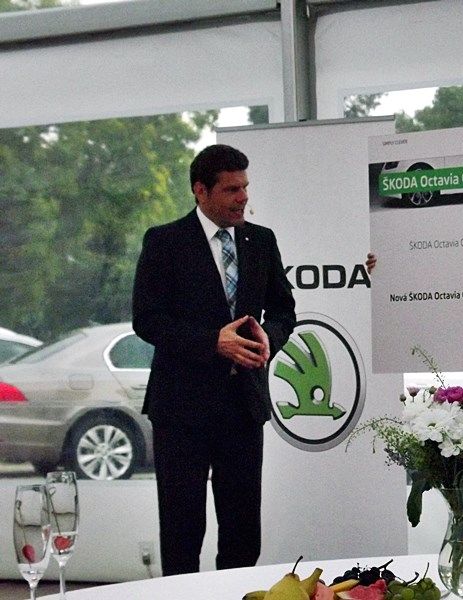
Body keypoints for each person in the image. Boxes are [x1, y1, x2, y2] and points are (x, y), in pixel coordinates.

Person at [132, 144, 297, 575]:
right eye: (231, 189)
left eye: (245, 187)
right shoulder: (164, 241)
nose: (243, 197)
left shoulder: (261, 241)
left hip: (243, 406)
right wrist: (212, 343)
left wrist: (268, 338)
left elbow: (284, 311)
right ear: (200, 191)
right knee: (182, 535)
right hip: (180, 411)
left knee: (243, 536)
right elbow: (147, 320)